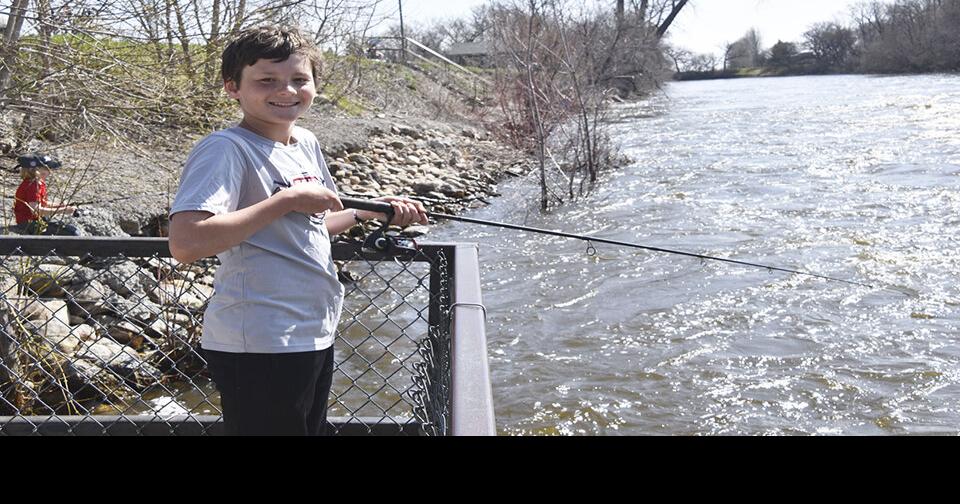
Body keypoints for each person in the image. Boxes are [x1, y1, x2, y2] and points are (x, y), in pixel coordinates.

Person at [167, 25, 427, 436]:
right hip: (260, 339)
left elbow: (314, 224)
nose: (285, 90)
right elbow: (187, 241)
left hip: (311, 330)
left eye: (299, 80)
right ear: (232, 87)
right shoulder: (225, 148)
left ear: (315, 86)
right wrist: (285, 200)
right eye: (266, 80)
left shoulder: (304, 142)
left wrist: (369, 213)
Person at [13, 154, 80, 236]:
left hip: (38, 220)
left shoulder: (40, 183)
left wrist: (62, 206)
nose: (50, 171)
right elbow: (37, 211)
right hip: (29, 223)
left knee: (69, 229)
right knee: (73, 233)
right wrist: (64, 210)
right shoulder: (32, 186)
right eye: (47, 168)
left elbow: (44, 203)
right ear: (35, 170)